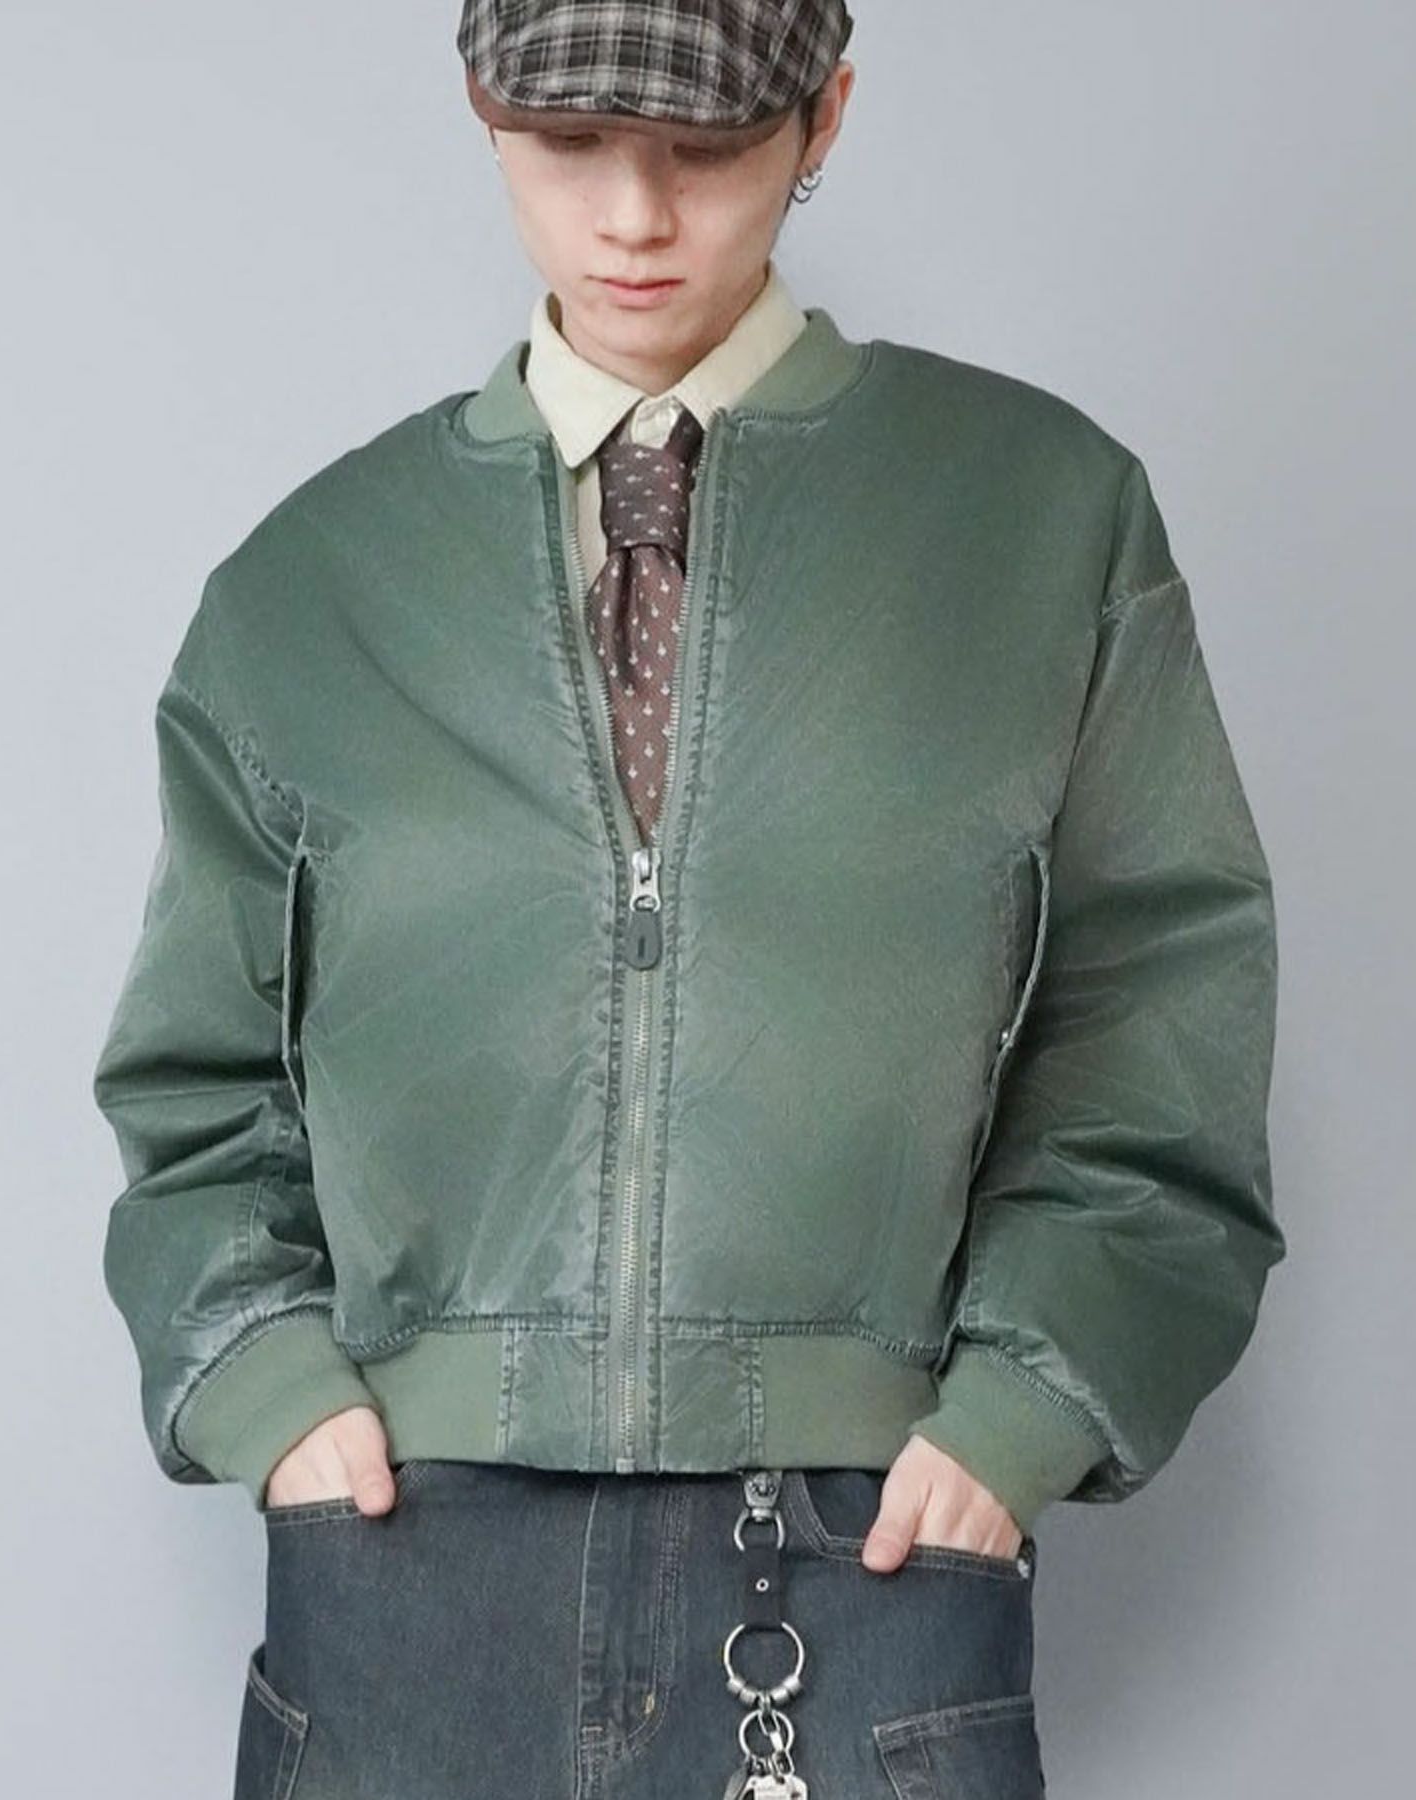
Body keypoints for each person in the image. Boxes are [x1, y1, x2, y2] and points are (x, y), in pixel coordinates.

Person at [92, 3, 1285, 1793]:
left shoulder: (1042, 522)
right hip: (411, 1560)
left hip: (872, 1559)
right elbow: (197, 1082)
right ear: (483, 111)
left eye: (709, 149)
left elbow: (1156, 1012)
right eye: (571, 143)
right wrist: (274, 1391)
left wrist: (1021, 1413)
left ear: (826, 118)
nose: (634, 217)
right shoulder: (311, 584)